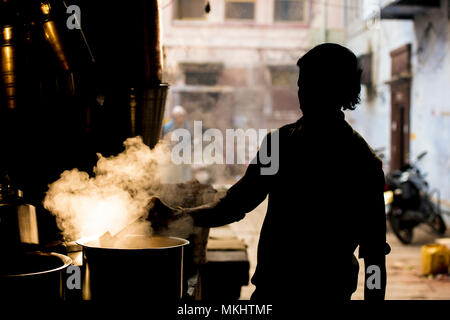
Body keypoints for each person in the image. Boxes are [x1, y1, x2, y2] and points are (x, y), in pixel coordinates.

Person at [148, 43, 390, 301]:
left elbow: (374, 255)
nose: (303, 93)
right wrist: (178, 215)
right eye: (301, 84)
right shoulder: (282, 144)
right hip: (276, 291)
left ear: (339, 91)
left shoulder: (358, 162)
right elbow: (236, 204)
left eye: (312, 84)